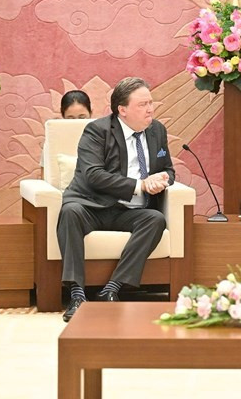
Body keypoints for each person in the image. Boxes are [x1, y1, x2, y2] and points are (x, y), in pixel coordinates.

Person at [57, 77, 175, 322]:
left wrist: (162, 179)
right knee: (70, 211)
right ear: (122, 110)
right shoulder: (97, 131)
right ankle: (77, 294)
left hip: (130, 212)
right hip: (92, 206)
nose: (150, 109)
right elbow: (93, 175)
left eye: (150, 103)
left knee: (155, 219)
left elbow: (168, 169)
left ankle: (112, 289)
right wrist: (140, 185)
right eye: (142, 104)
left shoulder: (157, 130)